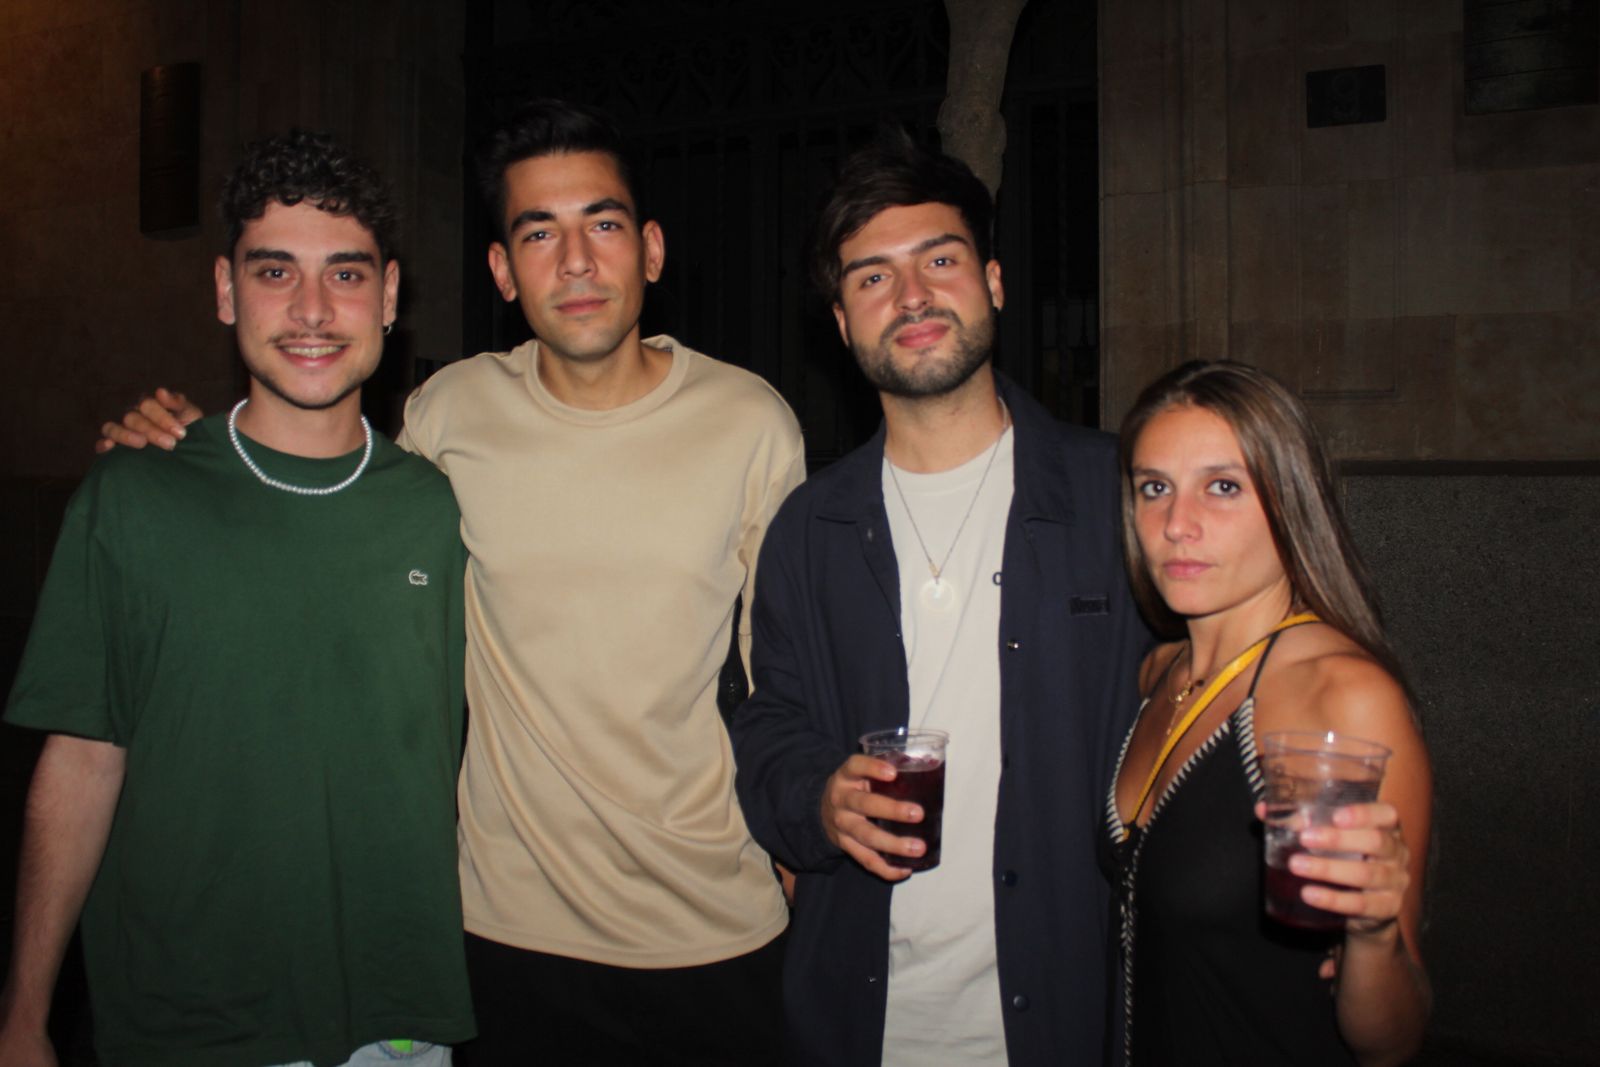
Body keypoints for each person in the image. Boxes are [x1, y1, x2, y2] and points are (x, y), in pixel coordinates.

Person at [98, 100, 803, 1065]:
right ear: (502, 273)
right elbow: (327, 500)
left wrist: (800, 840)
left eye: (601, 224)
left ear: (651, 249)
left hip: (715, 921)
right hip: (502, 929)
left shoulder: (751, 421)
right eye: (538, 234)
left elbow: (786, 672)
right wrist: (186, 444)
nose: (578, 262)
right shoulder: (451, 409)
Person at [0, 130, 473, 1066]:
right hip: (188, 1021)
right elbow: (84, 759)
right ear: (225, 290)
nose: (310, 309)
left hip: (397, 1019)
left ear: (388, 295)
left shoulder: (441, 508)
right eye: (273, 272)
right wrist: (25, 1009)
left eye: (344, 274)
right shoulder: (133, 494)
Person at [730, 132, 1150, 1065]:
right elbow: (770, 726)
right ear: (841, 323)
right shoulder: (809, 528)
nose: (912, 295)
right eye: (872, 278)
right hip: (864, 1018)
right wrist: (818, 797)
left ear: (993, 282)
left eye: (940, 259)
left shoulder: (1116, 494)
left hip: (1070, 1014)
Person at [1104, 359, 1431, 1065]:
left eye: (1223, 487)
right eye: (1153, 487)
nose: (1177, 524)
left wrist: (1373, 937)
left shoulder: (1341, 696)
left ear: (1291, 499)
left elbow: (1393, 1041)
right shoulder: (1160, 673)